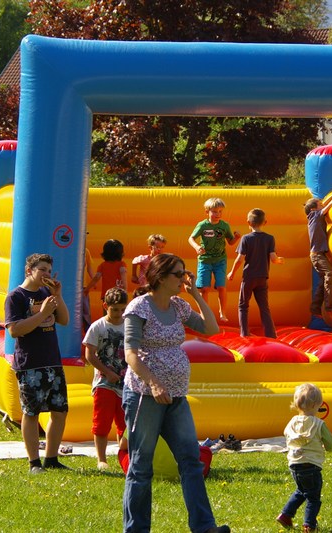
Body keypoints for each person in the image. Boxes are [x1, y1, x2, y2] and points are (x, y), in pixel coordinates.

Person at [121, 253, 229, 533]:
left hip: (176, 396)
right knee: (141, 466)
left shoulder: (179, 306)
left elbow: (212, 328)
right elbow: (130, 354)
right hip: (145, 396)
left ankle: (204, 528)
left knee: (191, 461)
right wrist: (154, 383)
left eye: (184, 273)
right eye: (178, 274)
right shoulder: (139, 307)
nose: (183, 278)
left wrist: (196, 295)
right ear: (160, 277)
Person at [4, 253, 70, 474]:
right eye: (42, 269)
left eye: (49, 271)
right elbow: (15, 330)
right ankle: (34, 463)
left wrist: (57, 295)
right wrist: (42, 313)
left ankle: (52, 459)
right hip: (30, 364)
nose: (46, 274)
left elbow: (64, 320)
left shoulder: (47, 293)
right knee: (31, 413)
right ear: (29, 271)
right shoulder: (16, 297)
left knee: (59, 411)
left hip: (53, 361)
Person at [275, 383, 332, 533]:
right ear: (316, 405)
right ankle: (309, 525)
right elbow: (330, 444)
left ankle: (285, 515)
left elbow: (286, 434)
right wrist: (324, 445)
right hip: (311, 465)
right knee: (313, 498)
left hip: (295, 464)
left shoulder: (292, 422)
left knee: (302, 490)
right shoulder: (318, 424)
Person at [83, 287, 128, 471]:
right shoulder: (98, 327)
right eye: (114, 309)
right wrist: (107, 372)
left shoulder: (129, 325)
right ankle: (101, 459)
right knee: (102, 422)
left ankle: (124, 457)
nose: (119, 313)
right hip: (104, 383)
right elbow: (89, 355)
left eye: (122, 309)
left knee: (124, 423)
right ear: (105, 306)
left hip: (126, 383)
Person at [227, 208, 283, 338]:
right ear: (265, 222)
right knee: (264, 307)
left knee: (243, 306)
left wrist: (232, 273)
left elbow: (240, 259)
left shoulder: (246, 238)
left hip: (249, 277)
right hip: (262, 277)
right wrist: (280, 260)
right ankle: (271, 335)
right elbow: (274, 258)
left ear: (248, 222)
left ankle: (244, 334)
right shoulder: (269, 238)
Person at [188, 197, 241, 323]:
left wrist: (236, 237)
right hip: (205, 261)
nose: (218, 214)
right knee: (204, 288)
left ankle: (222, 312)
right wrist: (197, 247)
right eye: (215, 211)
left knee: (221, 286)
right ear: (207, 212)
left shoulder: (224, 226)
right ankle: (205, 313)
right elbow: (191, 238)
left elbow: (230, 242)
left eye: (220, 211)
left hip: (220, 260)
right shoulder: (202, 225)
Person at [304, 192, 332, 318]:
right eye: (320, 204)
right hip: (317, 255)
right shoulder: (315, 215)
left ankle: (315, 308)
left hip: (318, 254)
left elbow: (324, 205)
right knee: (329, 273)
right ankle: (328, 306)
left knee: (323, 280)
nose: (322, 205)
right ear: (313, 209)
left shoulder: (314, 215)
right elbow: (327, 207)